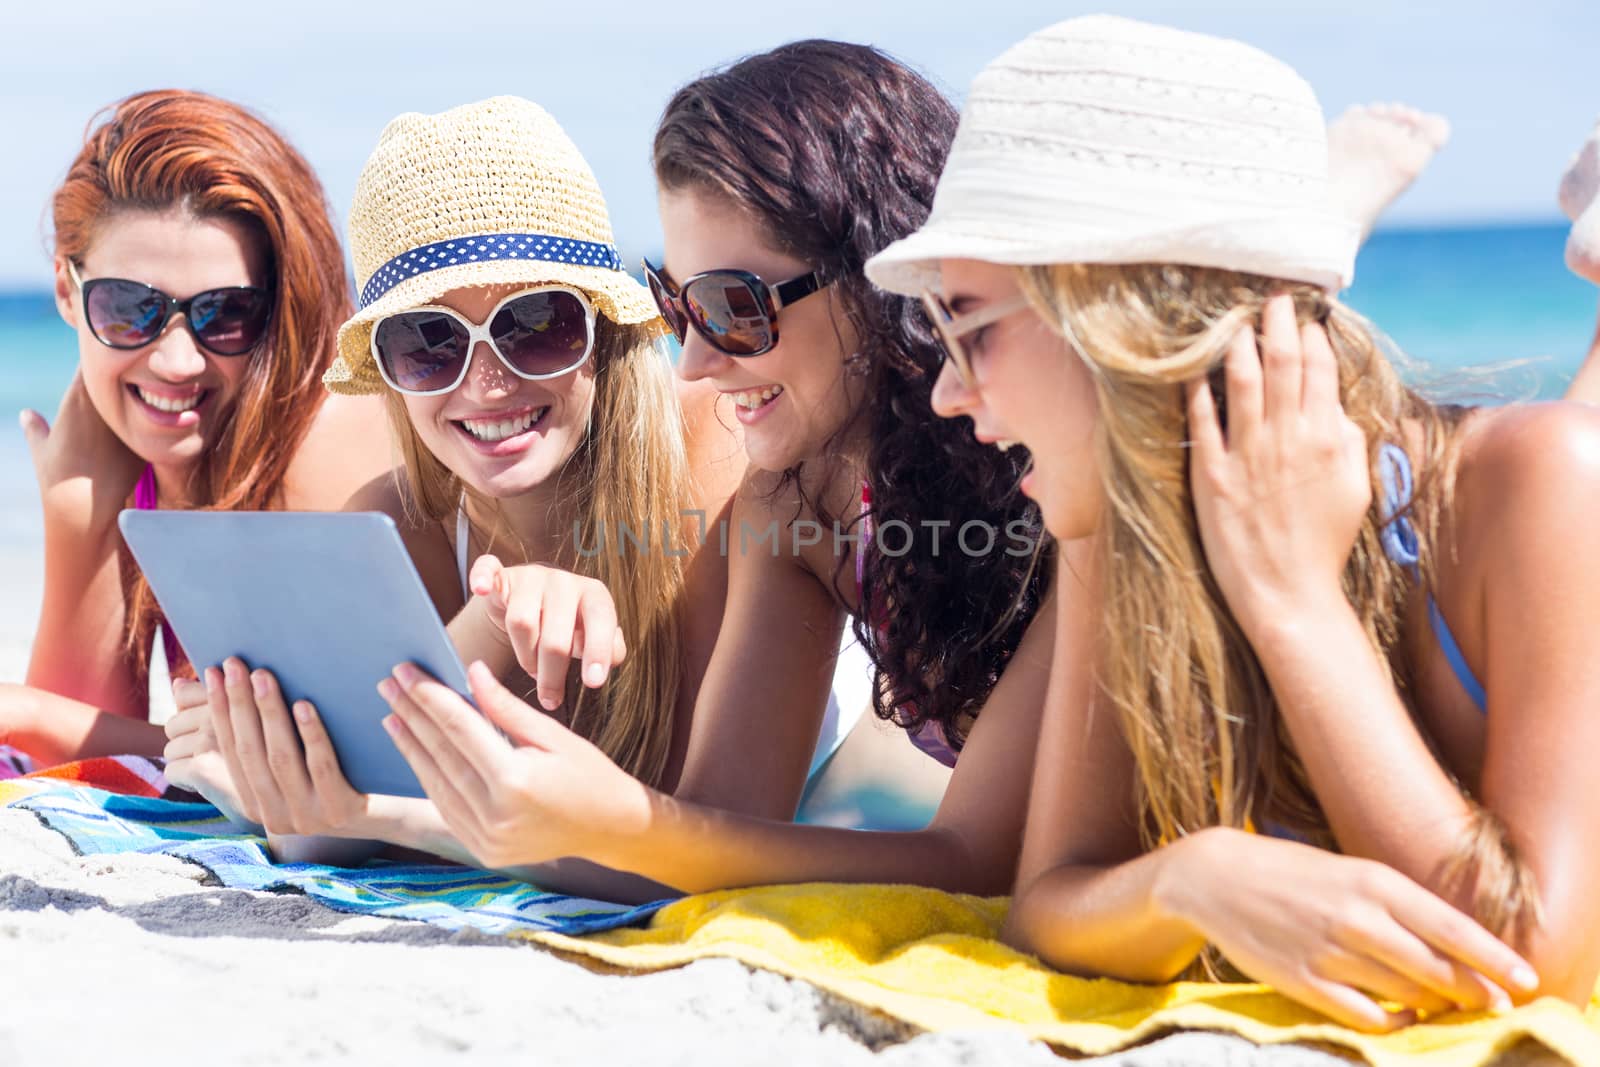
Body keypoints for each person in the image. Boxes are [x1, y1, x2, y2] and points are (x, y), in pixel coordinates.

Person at [864, 15, 1597, 1031]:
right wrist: (1188, 880)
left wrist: (1293, 603)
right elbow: (1047, 901)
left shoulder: (1538, 481)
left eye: (965, 325)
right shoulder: (1127, 526)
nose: (943, 390)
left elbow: (1524, 959)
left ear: (1115, 319)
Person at [374, 42, 1058, 895]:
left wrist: (619, 821)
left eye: (734, 308)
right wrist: (369, 814)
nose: (694, 362)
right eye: (678, 306)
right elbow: (716, 829)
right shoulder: (789, 503)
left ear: (878, 279)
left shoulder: (1061, 471)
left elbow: (978, 859)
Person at [165, 97, 740, 877]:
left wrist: (370, 807)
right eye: (429, 342)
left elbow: (693, 835)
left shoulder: (714, 454)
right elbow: (320, 834)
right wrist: (257, 769)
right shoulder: (397, 527)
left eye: (536, 322)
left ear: (603, 332)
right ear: (392, 376)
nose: (488, 382)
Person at [0, 90, 388, 768]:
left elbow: (334, 765)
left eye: (225, 313)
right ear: (67, 290)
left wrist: (34, 713)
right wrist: (78, 512)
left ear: (280, 309)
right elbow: (90, 781)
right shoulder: (128, 449)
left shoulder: (322, 435)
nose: (177, 360)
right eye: (128, 308)